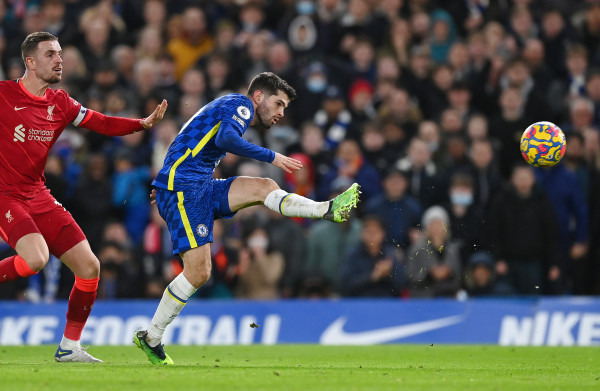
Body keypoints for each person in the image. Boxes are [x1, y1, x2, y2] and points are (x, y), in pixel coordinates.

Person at [134, 72, 360, 365]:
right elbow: (226, 138)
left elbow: (189, 141)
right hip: (185, 188)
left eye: (285, 108)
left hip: (195, 186)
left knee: (264, 186)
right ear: (258, 97)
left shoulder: (229, 108)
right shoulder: (240, 103)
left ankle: (326, 210)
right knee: (199, 272)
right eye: (278, 103)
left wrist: (167, 180)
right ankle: (151, 337)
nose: (280, 112)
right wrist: (271, 156)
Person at [0, 32, 168, 362]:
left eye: (60, 53)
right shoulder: (3, 95)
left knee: (90, 267)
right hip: (4, 195)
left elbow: (101, 122)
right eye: (50, 54)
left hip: (37, 193)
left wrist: (142, 124)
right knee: (36, 259)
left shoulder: (59, 102)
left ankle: (69, 347)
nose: (59, 59)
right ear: (30, 62)